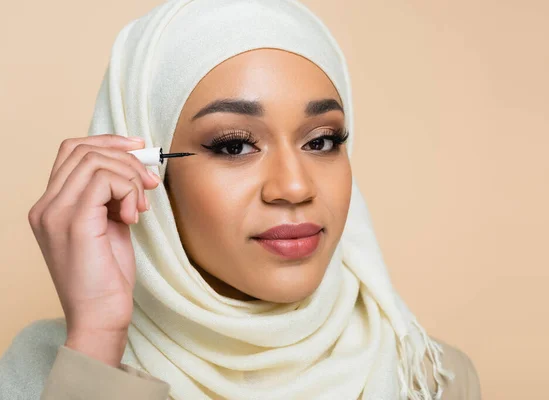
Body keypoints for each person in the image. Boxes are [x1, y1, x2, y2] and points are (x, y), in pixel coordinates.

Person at [0, 0, 481, 399]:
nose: (295, 188)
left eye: (322, 141)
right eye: (233, 145)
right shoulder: (51, 372)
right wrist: (98, 341)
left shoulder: (431, 378)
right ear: (149, 173)